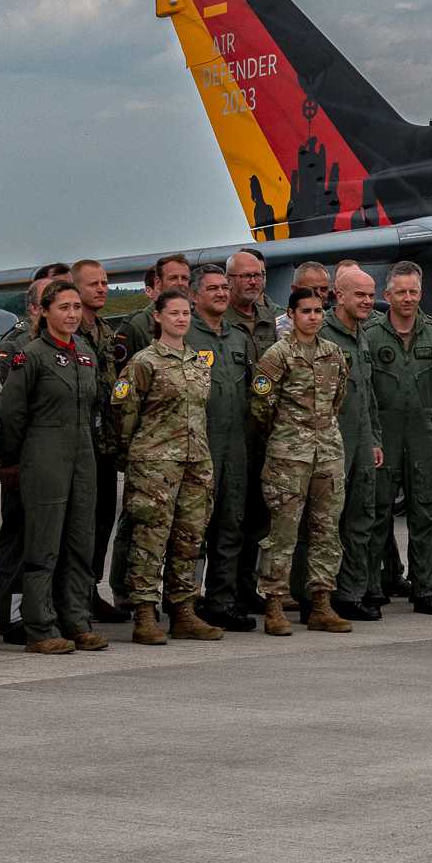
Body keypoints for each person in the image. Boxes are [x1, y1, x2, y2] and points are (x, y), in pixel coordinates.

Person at [0, 279, 108, 653]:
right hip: (44, 454)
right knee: (43, 544)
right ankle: (40, 625)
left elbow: (96, 407)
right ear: (45, 312)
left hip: (82, 454)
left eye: (77, 307)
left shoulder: (86, 353)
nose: (73, 314)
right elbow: (10, 414)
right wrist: (16, 459)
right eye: (64, 307)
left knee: (80, 541)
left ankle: (76, 619)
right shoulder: (31, 356)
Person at [113, 287, 223, 645]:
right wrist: (136, 454)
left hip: (195, 462)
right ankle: (145, 613)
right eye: (173, 313)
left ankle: (183, 610)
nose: (180, 319)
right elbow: (125, 413)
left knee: (189, 539)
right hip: (155, 465)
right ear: (157, 317)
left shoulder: (197, 362)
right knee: (150, 539)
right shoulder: (144, 362)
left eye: (185, 313)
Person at [251, 288, 353, 634]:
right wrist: (287, 435)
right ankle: (275, 604)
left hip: (327, 454)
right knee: (282, 534)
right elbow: (261, 407)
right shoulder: (277, 355)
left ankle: (321, 603)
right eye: (305, 311)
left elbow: (338, 399)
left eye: (318, 311)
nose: (313, 316)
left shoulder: (333, 354)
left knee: (326, 531)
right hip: (288, 458)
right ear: (291, 315)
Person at [366, 261, 432, 615]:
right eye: (400, 292)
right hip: (382, 435)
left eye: (413, 291)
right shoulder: (371, 335)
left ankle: (425, 588)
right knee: (376, 514)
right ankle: (372, 587)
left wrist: (422, 412)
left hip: (422, 435)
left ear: (421, 294)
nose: (407, 298)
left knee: (425, 514)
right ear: (387, 295)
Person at [187, 265, 261, 631]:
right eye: (212, 288)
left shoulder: (236, 337)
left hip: (235, 447)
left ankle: (221, 601)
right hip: (199, 447)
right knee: (192, 531)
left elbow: (252, 389)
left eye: (223, 287)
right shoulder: (185, 335)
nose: (220, 293)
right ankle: (184, 603)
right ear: (195, 295)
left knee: (231, 526)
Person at [69, 258, 129, 626]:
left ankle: (91, 589)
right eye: (93, 284)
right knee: (78, 525)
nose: (102, 289)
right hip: (78, 446)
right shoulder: (70, 336)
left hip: (106, 446)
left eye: (105, 283)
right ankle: (74, 596)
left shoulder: (110, 333)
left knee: (103, 521)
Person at [325, 264, 386, 622]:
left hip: (362, 441)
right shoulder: (325, 334)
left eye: (370, 294)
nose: (367, 301)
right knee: (324, 523)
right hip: (331, 442)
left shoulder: (363, 334)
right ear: (340, 295)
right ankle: (317, 594)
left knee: (361, 519)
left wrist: (374, 438)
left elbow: (368, 394)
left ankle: (351, 593)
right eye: (360, 295)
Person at [0, 277, 45, 643]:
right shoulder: (15, 348)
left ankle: (37, 609)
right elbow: (0, 412)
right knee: (19, 537)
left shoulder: (70, 347)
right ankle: (7, 612)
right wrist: (8, 459)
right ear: (35, 307)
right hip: (21, 462)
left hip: (52, 462)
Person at [226, 247, 280, 615]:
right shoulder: (217, 320)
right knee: (229, 518)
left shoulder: (273, 318)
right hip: (231, 431)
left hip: (266, 431)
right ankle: (222, 591)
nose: (253, 282)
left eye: (258, 275)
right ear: (229, 281)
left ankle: (246, 588)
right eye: (245, 276)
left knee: (259, 516)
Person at [275, 261, 331, 339]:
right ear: (294, 290)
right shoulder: (276, 329)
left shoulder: (331, 323)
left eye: (323, 289)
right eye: (312, 289)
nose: (318, 294)